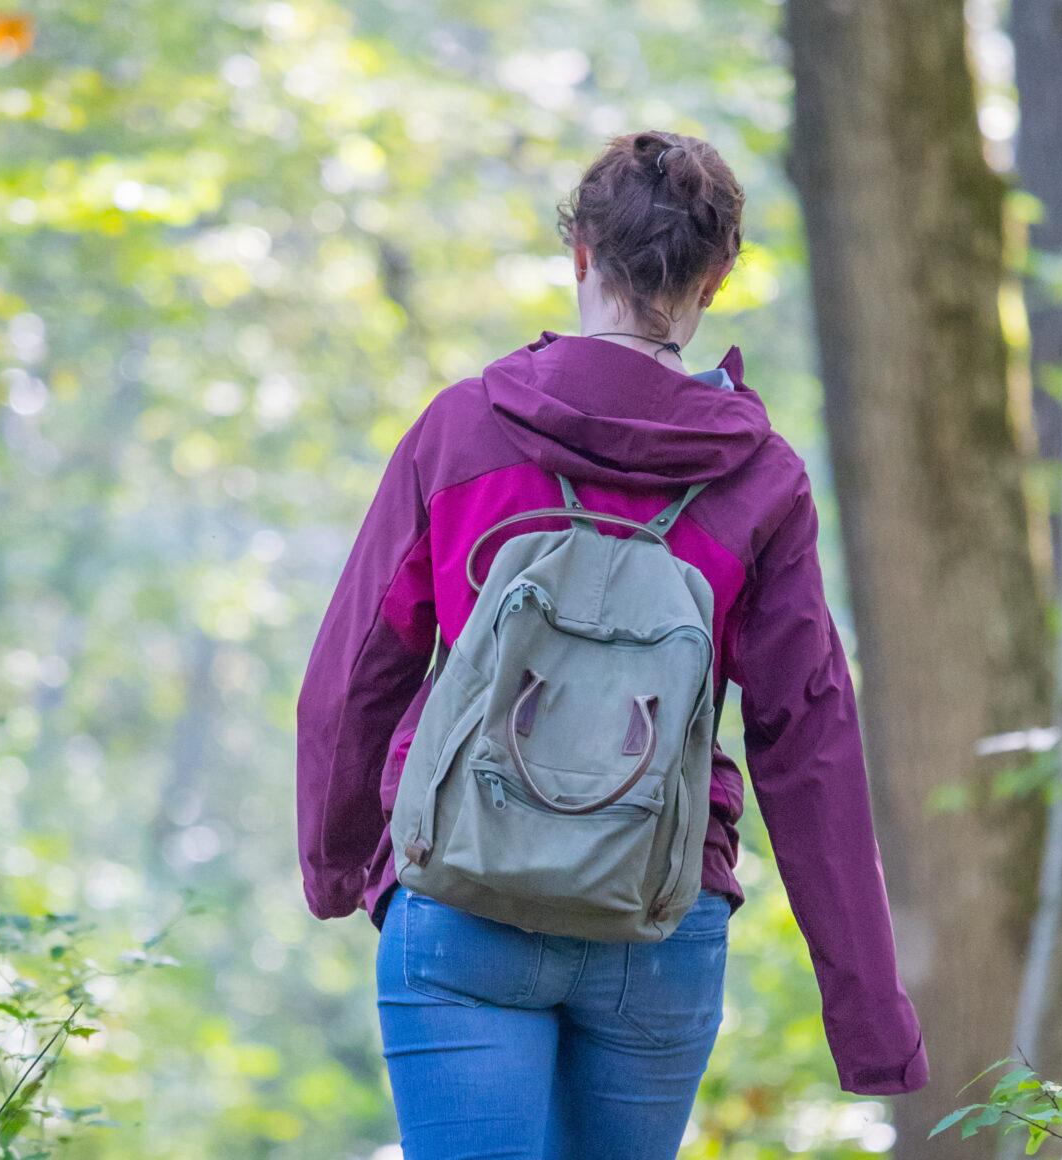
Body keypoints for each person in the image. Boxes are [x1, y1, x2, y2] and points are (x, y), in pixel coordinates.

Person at [296, 129, 926, 1160]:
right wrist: (868, 1015)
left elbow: (356, 672)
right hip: (658, 915)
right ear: (717, 277)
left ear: (580, 253)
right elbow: (808, 746)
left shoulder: (462, 430)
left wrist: (334, 864)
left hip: (460, 894)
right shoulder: (760, 482)